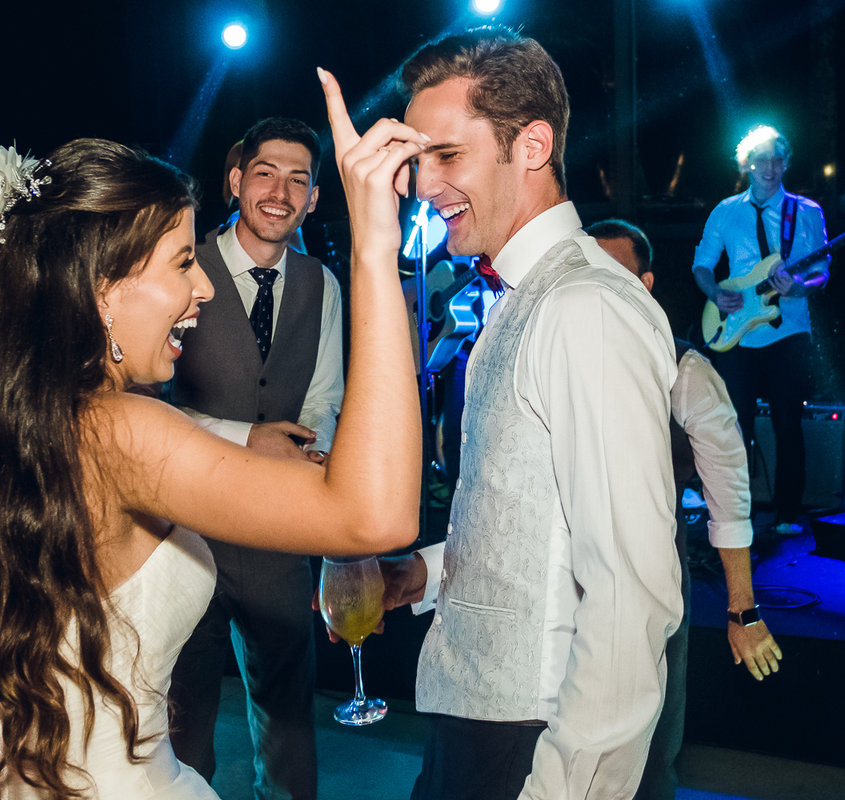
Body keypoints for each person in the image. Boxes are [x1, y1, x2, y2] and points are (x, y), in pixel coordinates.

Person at [0, 131, 421, 800]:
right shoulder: (119, 432)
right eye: (181, 262)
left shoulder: (7, 420)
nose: (203, 284)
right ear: (104, 290)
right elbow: (375, 515)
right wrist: (376, 250)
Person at [355, 27, 683, 799]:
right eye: (415, 161)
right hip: (476, 715)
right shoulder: (511, 297)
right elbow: (532, 519)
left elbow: (630, 594)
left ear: (531, 145)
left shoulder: (583, 308)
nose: (420, 186)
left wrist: (567, 787)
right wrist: (425, 572)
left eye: (446, 155)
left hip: (534, 739)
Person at [167, 117, 343, 800]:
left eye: (299, 178)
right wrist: (246, 437)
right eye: (266, 171)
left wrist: (315, 462)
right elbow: (140, 405)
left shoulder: (323, 284)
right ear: (236, 180)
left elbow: (325, 396)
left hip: (278, 529)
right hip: (186, 530)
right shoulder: (181, 266)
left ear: (314, 198)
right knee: (183, 727)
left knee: (290, 728)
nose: (281, 190)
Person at [589, 219, 784, 800]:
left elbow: (730, 499)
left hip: (652, 571)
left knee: (648, 743)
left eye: (616, 274)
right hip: (564, 567)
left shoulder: (686, 372)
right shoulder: (555, 360)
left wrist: (742, 611)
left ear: (645, 283)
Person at [691, 125, 829, 534]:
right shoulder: (725, 210)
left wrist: (799, 287)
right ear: (747, 164)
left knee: (789, 424)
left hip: (788, 331)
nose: (769, 168)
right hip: (736, 331)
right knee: (736, 427)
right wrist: (716, 293)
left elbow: (821, 273)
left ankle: (787, 513)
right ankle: (735, 514)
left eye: (776, 159)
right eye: (761, 160)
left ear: (785, 162)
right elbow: (702, 263)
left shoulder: (807, 211)